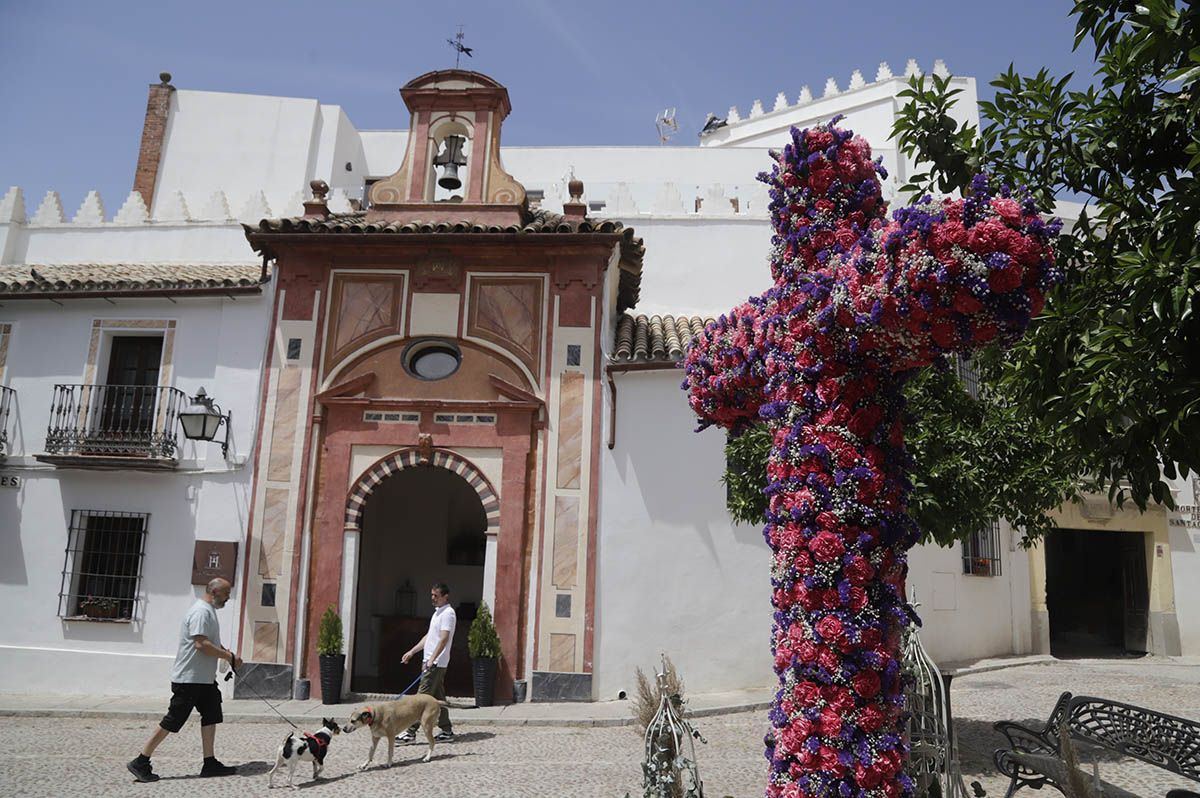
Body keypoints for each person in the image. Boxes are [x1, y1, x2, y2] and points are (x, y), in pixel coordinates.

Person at [126, 577, 242, 782]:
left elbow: (210, 641)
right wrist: (228, 657)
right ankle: (141, 761)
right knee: (173, 720)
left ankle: (210, 762)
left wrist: (226, 652)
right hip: (189, 680)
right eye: (226, 593)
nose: (228, 598)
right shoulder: (200, 611)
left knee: (212, 714)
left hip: (204, 679)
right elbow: (201, 644)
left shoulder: (209, 611)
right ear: (214, 592)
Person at [396, 582, 456, 744]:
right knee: (438, 698)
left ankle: (410, 733)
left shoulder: (448, 614)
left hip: (436, 663)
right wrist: (412, 652)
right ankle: (447, 730)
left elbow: (444, 639)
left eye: (436, 596)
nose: (432, 598)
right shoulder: (437, 613)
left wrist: (431, 659)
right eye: (431, 595)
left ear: (445, 596)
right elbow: (429, 637)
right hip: (431, 661)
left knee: (420, 699)